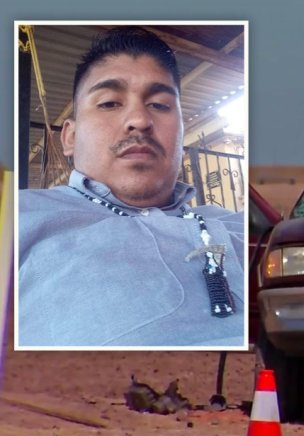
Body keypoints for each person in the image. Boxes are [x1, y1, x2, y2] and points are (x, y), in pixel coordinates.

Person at [18, 26, 245, 347]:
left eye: (160, 105)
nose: (139, 119)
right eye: (110, 103)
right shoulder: (19, 219)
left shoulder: (240, 226)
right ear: (69, 136)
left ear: (181, 132)